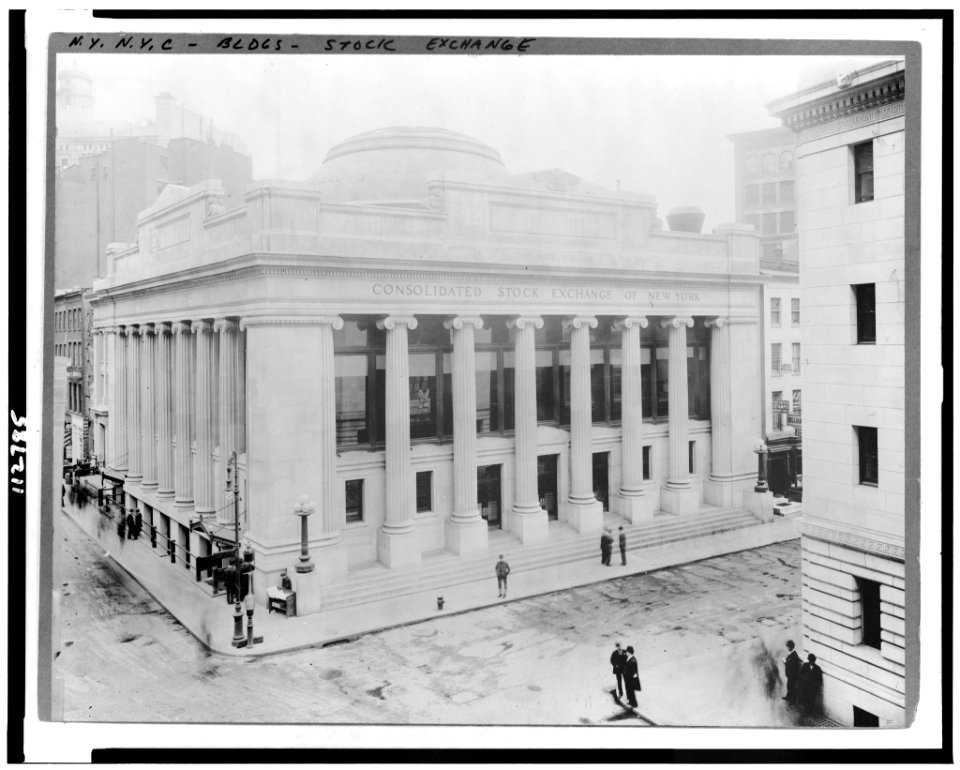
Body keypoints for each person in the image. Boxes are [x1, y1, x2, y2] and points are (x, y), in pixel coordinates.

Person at [782, 639, 801, 704]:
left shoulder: (794, 655)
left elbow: (791, 664)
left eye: (788, 647)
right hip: (791, 674)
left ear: (791, 647)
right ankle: (789, 697)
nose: (787, 648)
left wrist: (785, 661)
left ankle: (793, 700)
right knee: (789, 685)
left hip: (793, 674)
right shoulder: (792, 654)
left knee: (792, 687)